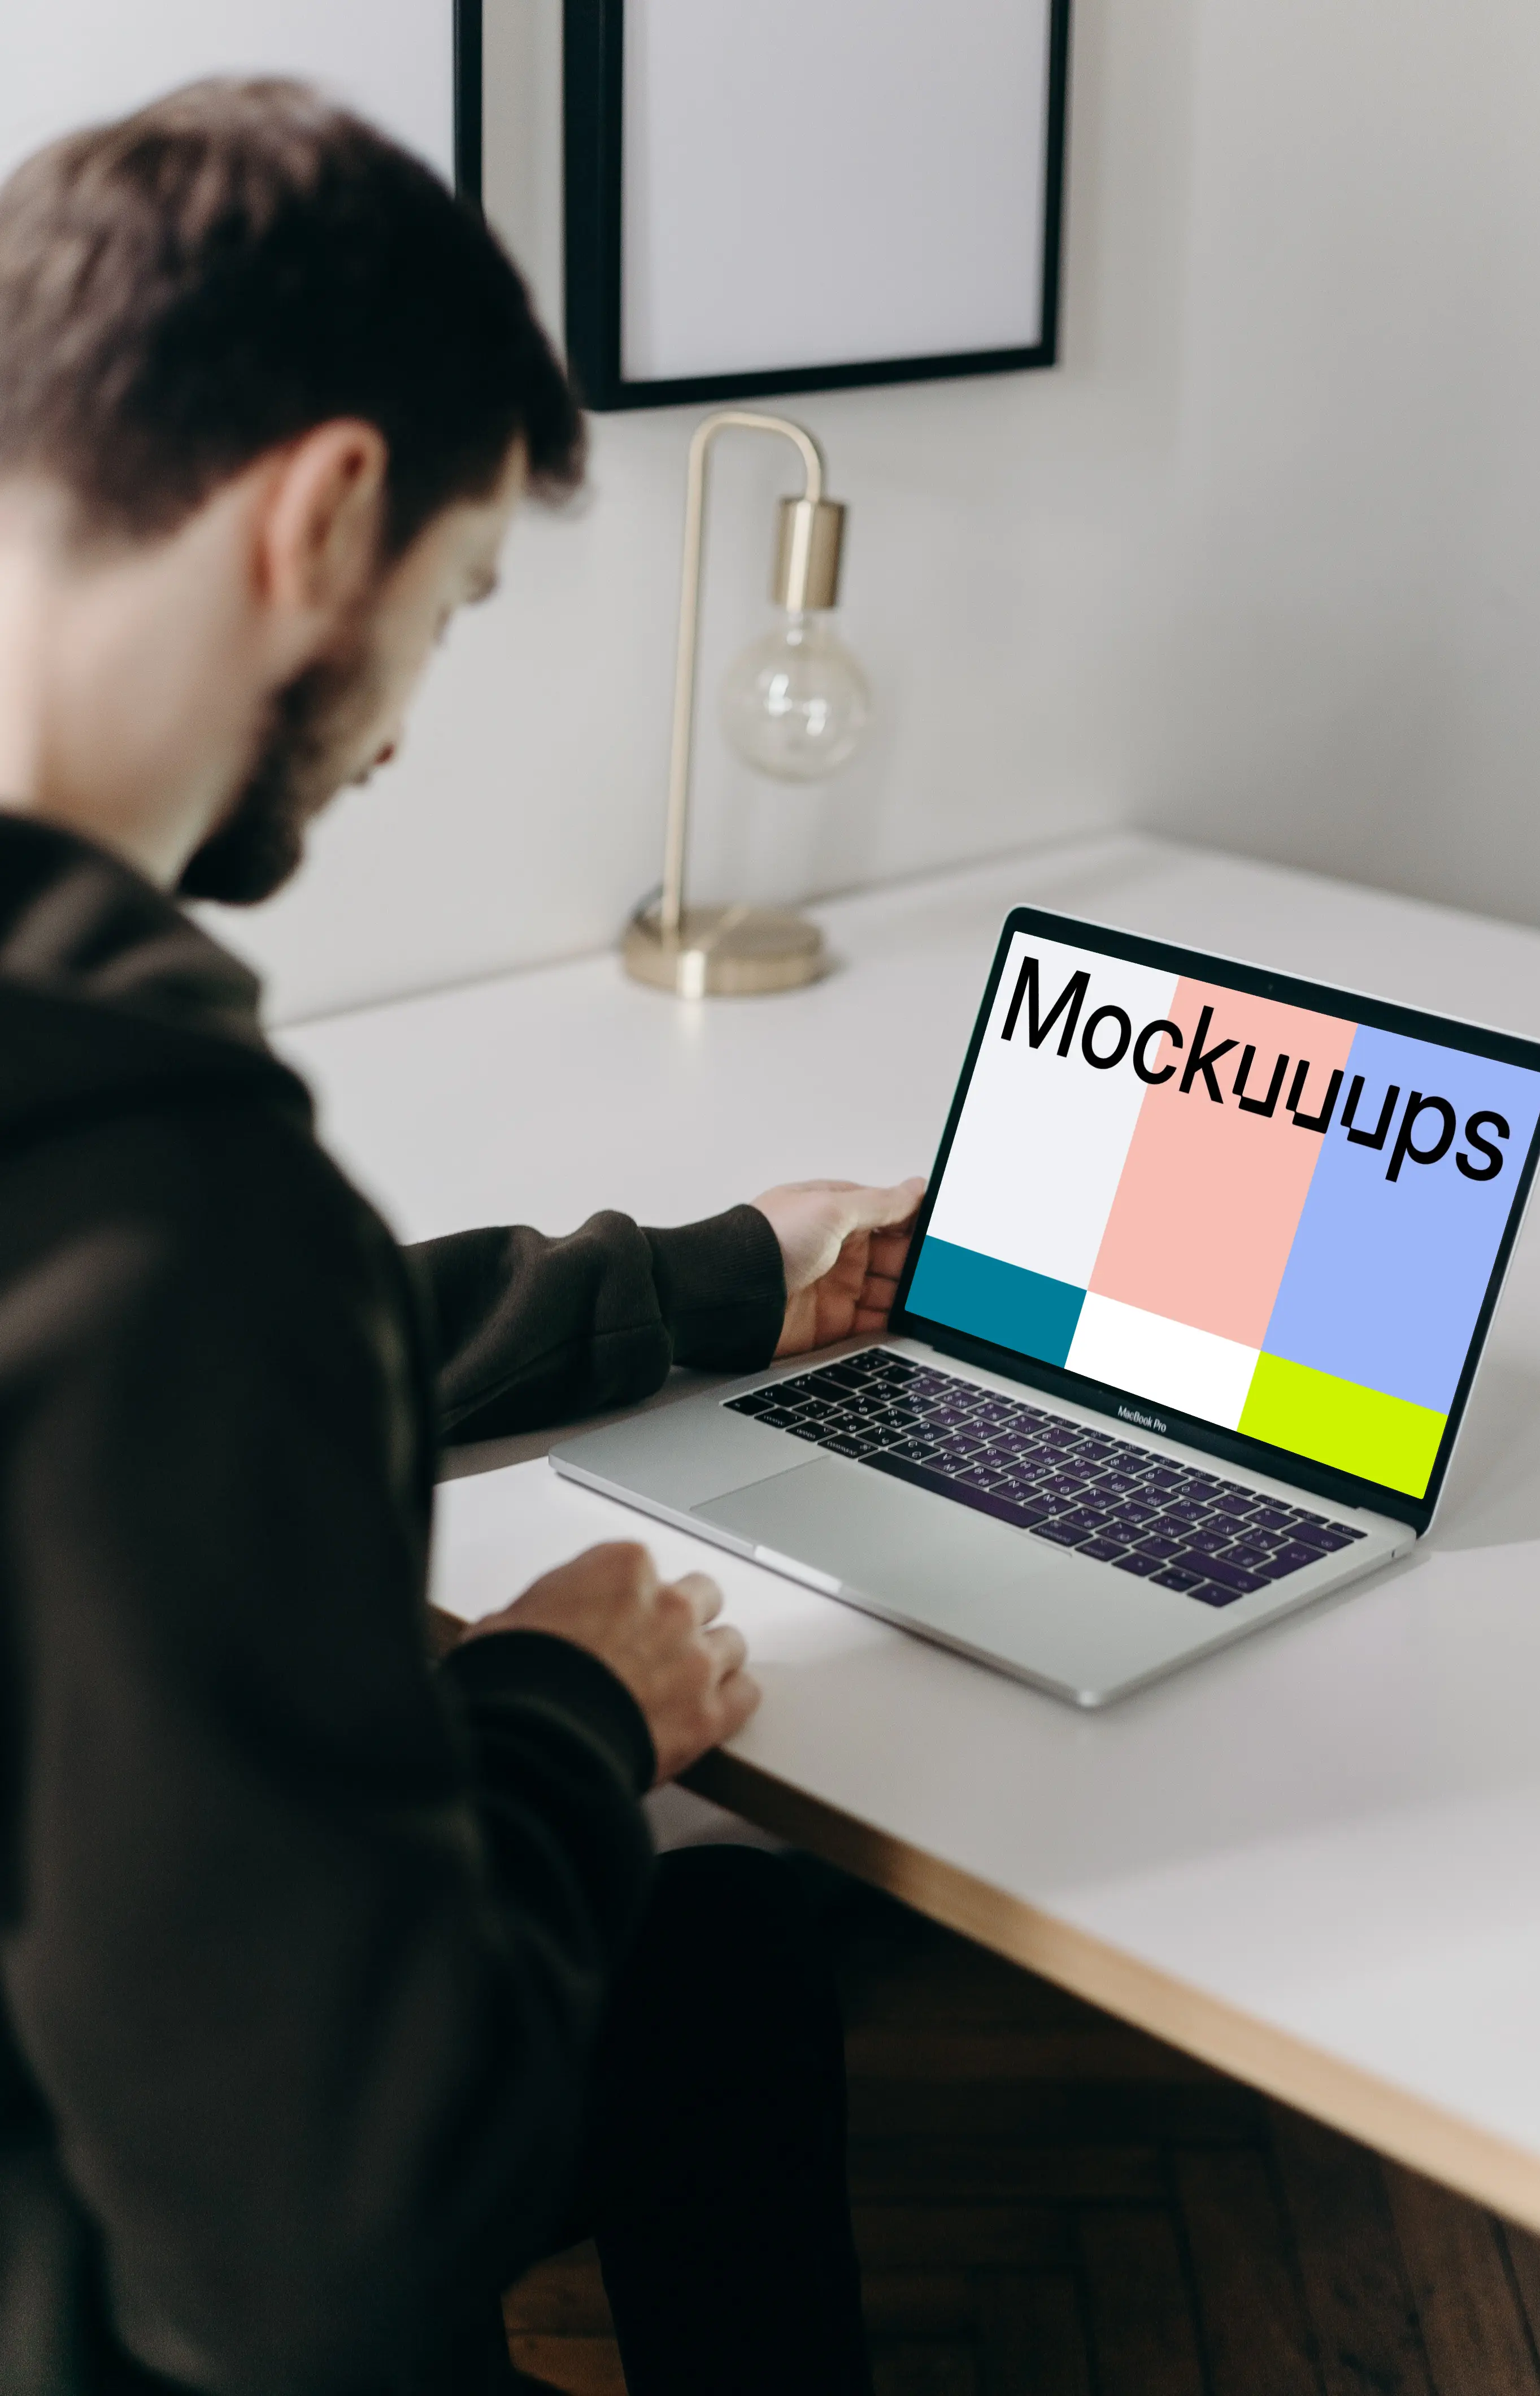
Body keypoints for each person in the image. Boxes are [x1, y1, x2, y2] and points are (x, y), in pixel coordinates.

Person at [0, 80, 922, 2396]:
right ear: (326, 514)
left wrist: (705, 1275)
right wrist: (564, 1702)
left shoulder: (98, 1174)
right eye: (459, 595)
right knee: (706, 1928)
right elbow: (330, 2244)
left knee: (704, 1973)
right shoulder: (165, 1185)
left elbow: (150, 1400)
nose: (407, 715)